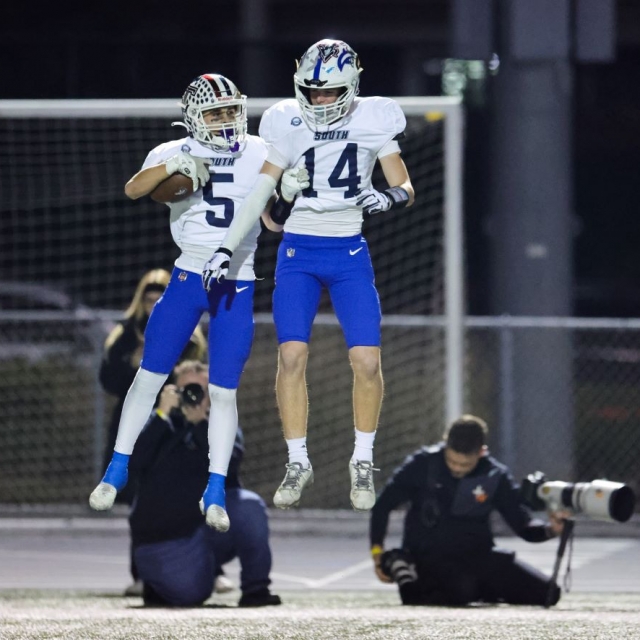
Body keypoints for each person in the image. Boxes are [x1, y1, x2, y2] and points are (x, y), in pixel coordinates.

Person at [201, 39, 415, 512]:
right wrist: (276, 202)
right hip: (298, 252)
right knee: (291, 354)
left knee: (366, 361)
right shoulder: (286, 120)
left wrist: (388, 197)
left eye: (329, 91)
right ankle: (297, 460)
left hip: (349, 252)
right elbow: (268, 212)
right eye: (312, 91)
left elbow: (404, 185)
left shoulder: (375, 117)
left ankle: (363, 459)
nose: (319, 99)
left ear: (351, 85)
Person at [89, 73, 308, 531]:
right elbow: (133, 189)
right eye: (214, 113)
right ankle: (116, 469)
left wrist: (287, 195)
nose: (225, 120)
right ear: (193, 118)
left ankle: (215, 488)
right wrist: (175, 165)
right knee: (148, 377)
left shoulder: (260, 151)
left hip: (235, 282)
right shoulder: (175, 150)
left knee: (224, 392)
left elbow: (273, 223)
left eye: (231, 110)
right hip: (188, 276)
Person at [369, 415, 568, 607]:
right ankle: (402, 566)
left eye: (465, 464)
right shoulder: (422, 465)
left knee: (549, 594)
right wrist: (377, 553)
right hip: (429, 557)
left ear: (481, 452)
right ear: (445, 445)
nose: (457, 468)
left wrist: (552, 529)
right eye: (452, 461)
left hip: (477, 556)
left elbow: (524, 527)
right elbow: (382, 506)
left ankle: (470, 589)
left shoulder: (494, 475)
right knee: (462, 590)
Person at [128, 360, 281, 608]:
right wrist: (161, 414)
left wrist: (201, 424)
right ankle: (160, 584)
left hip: (203, 528)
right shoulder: (157, 422)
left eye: (201, 390)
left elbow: (230, 463)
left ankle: (256, 590)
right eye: (186, 389)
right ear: (172, 391)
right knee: (191, 595)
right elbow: (133, 461)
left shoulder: (221, 424)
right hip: (165, 539)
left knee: (249, 507)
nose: (194, 396)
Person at [99, 267, 207, 507]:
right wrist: (132, 365)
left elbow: (198, 379)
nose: (153, 306)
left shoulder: (188, 334)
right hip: (133, 413)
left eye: (159, 300)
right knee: (128, 472)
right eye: (149, 300)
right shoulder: (125, 334)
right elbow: (108, 381)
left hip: (174, 415)